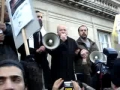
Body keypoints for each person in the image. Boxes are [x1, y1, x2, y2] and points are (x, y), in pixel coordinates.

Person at [18, 10, 51, 90]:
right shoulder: (24, 32)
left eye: (41, 17)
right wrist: (36, 50)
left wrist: (46, 48)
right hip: (29, 63)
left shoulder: (44, 33)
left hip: (42, 64)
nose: (40, 19)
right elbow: (20, 48)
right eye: (37, 17)